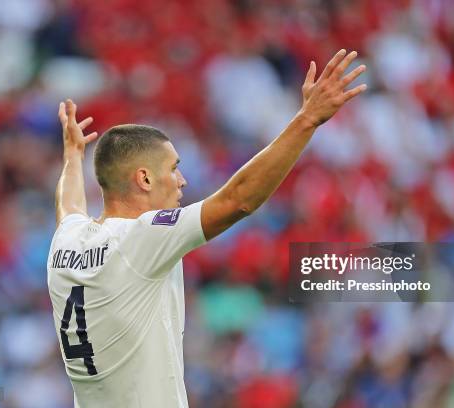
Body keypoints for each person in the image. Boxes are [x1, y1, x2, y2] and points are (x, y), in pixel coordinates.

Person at [47, 49, 366, 407]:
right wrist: (307, 119)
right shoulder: (140, 238)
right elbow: (238, 200)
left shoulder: (66, 242)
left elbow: (69, 206)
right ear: (145, 178)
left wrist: (73, 157)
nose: (182, 180)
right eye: (173, 168)